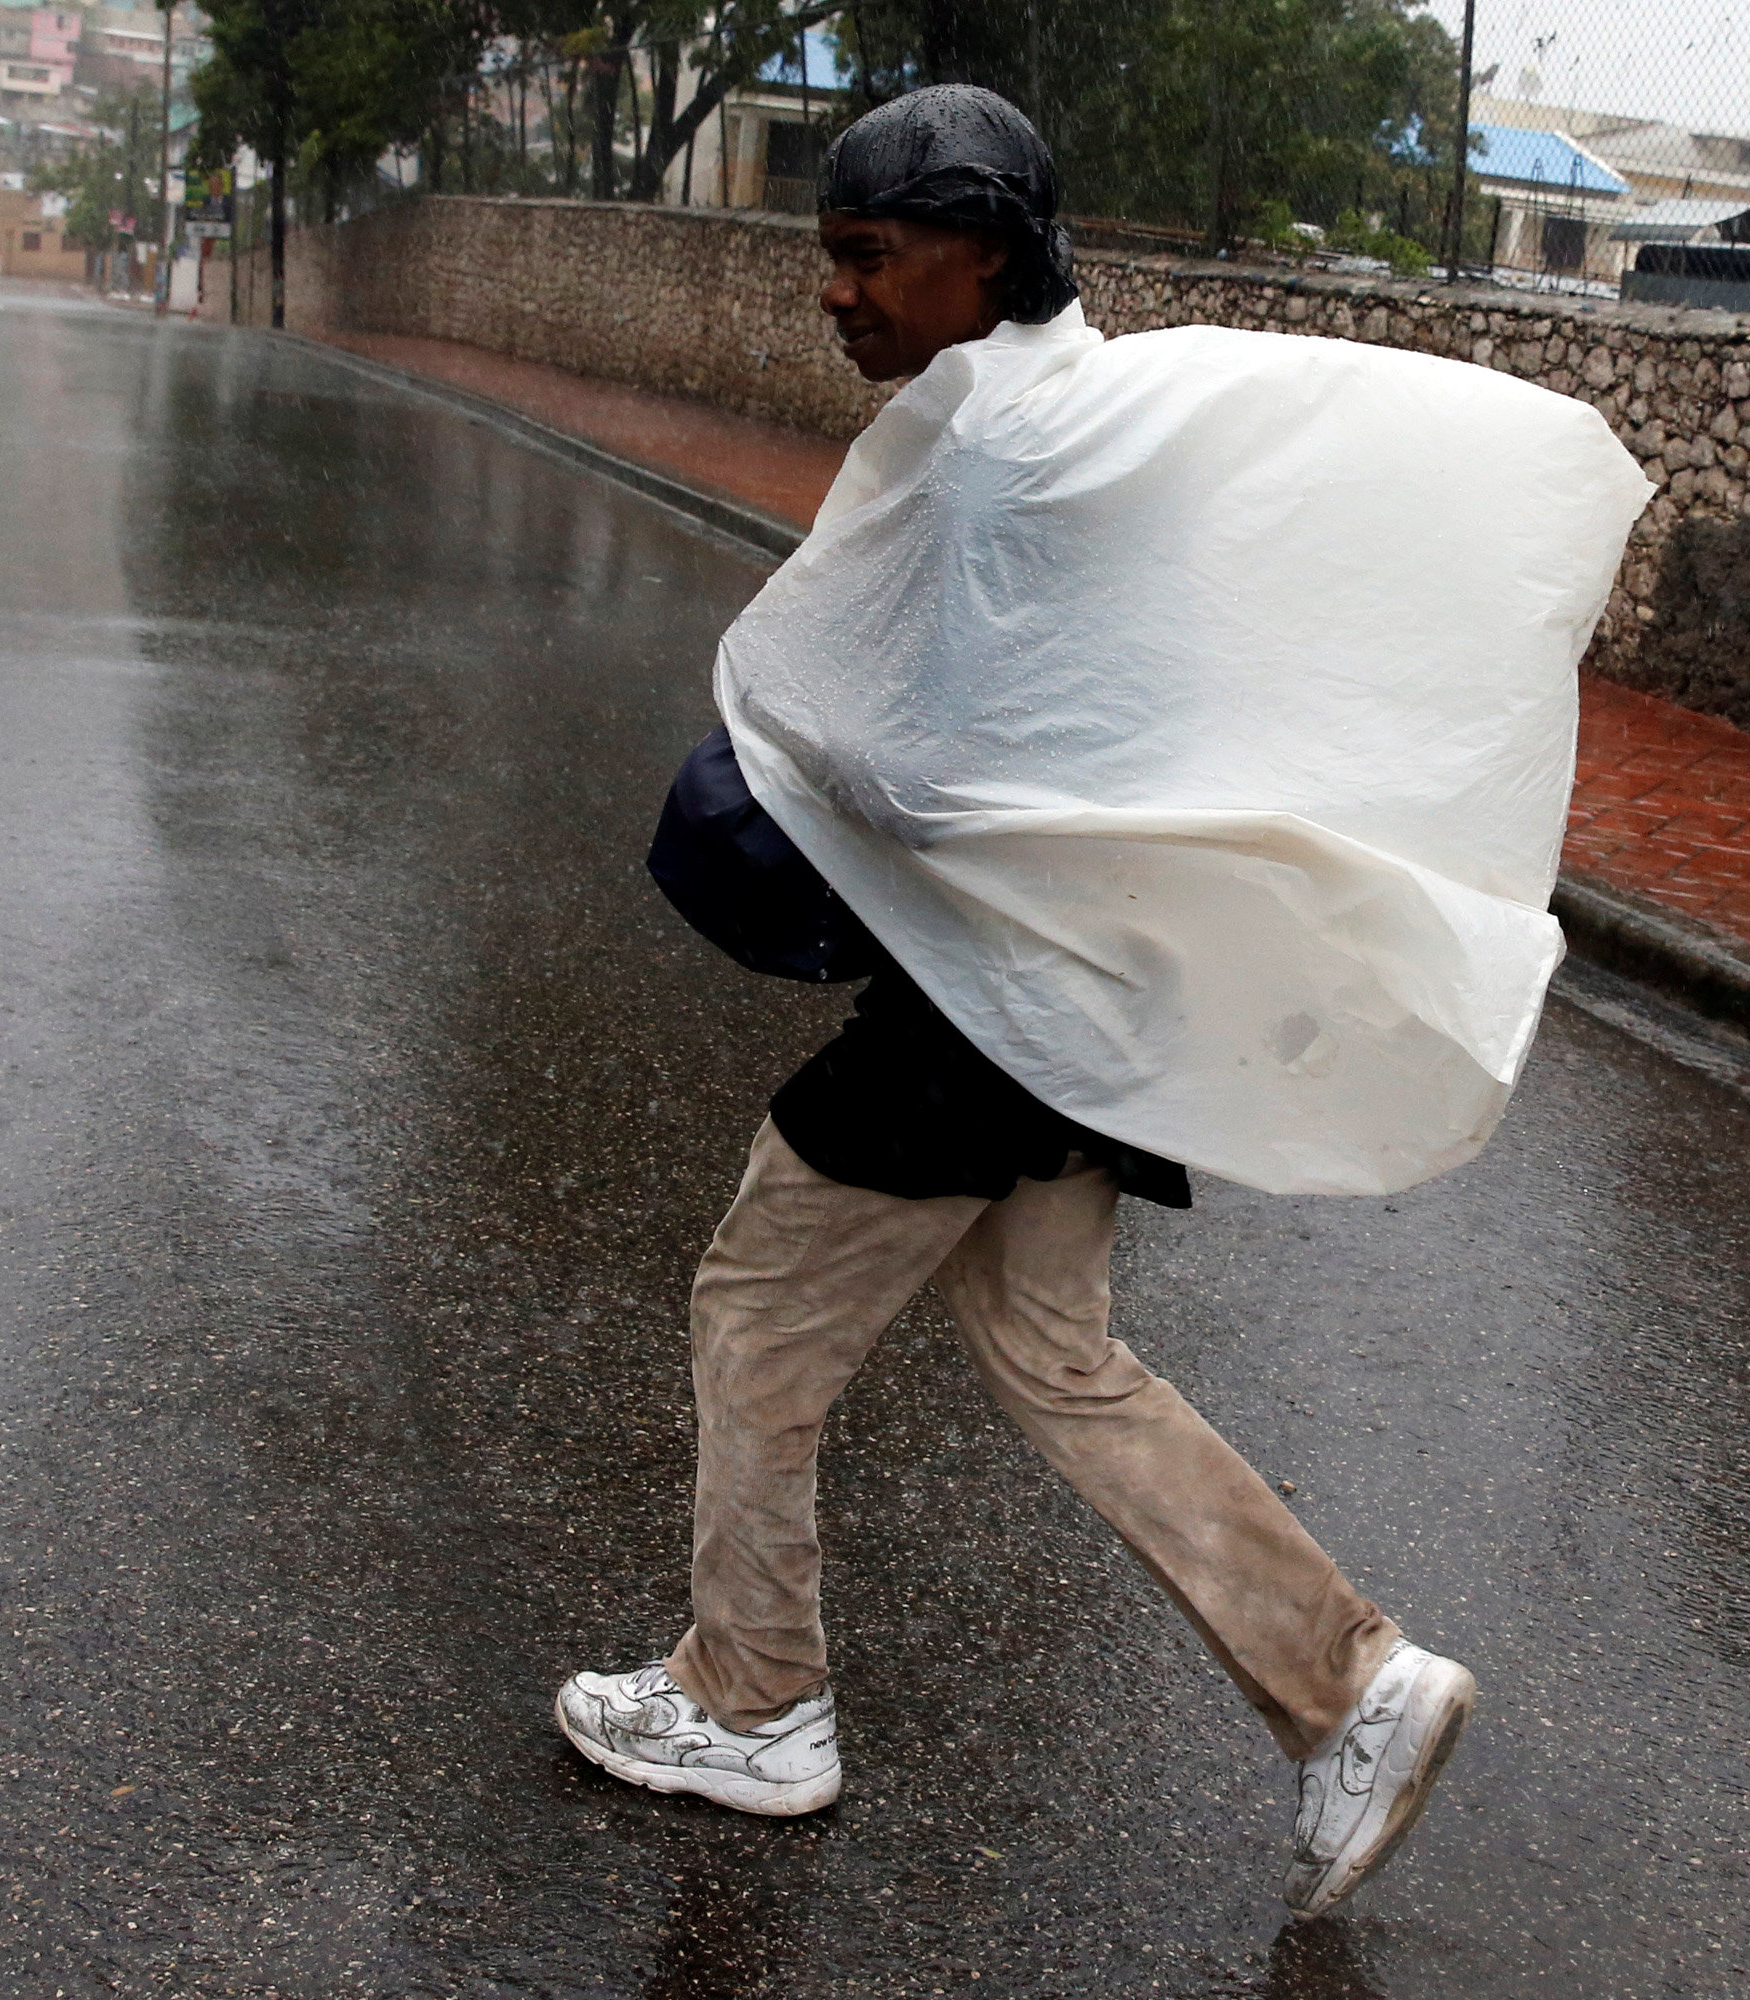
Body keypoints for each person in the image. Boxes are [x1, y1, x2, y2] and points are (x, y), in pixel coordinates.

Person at [553, 87, 1477, 1926]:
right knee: (1060, 1359)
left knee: (754, 1314)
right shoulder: (1074, 411)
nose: (837, 293)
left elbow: (948, 756)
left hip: (993, 1009)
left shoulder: (1000, 457)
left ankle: (754, 1699)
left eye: (868, 254)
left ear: (985, 247)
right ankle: (1354, 1684)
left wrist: (787, 784)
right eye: (831, 254)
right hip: (1090, 994)